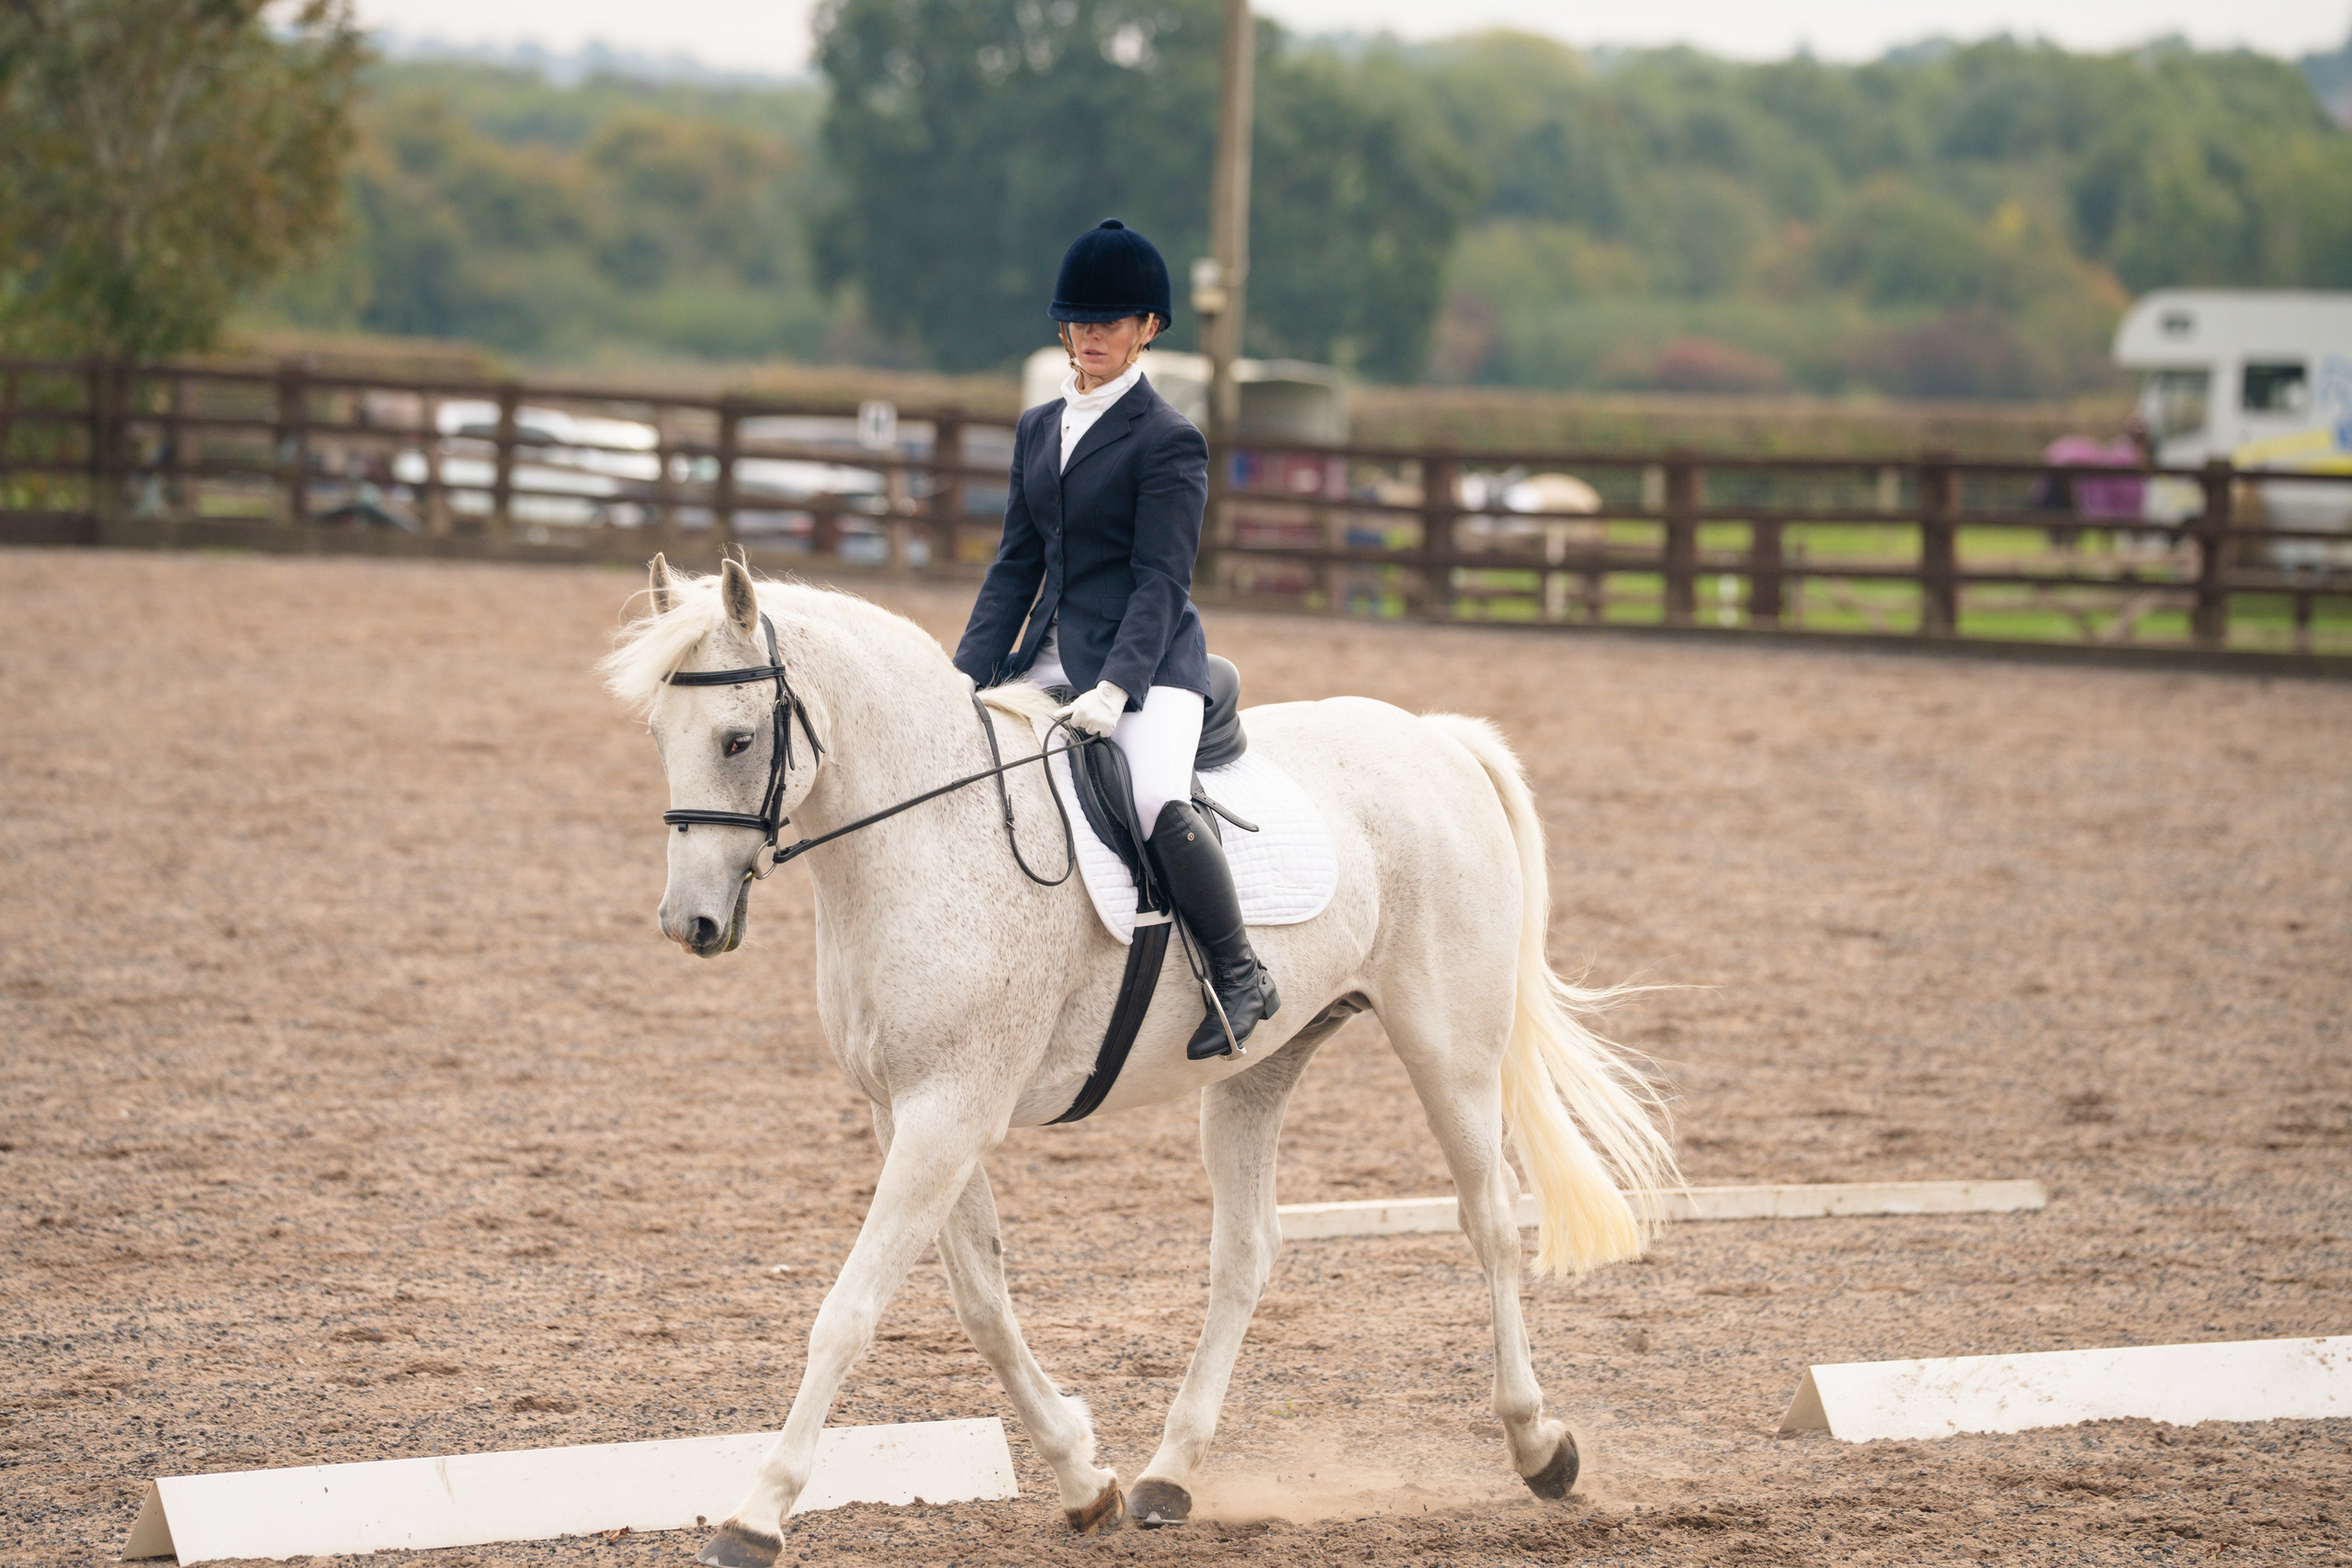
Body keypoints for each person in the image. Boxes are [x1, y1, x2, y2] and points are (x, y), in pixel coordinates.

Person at [953, 219, 1279, 1059]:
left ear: (1148, 330)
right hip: (1049, 659)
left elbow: (1162, 582)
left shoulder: (1169, 439)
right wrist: (961, 676)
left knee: (1152, 797)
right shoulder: (1036, 427)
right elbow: (1013, 570)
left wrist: (1117, 687)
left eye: (1110, 322)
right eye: (1080, 321)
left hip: (1152, 662)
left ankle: (1240, 972)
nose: (1091, 335)